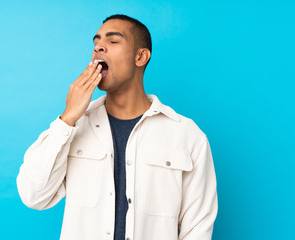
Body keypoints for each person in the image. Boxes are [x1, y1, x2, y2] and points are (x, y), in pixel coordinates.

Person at [16, 14, 218, 240]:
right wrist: (68, 117)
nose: (98, 48)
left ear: (141, 56)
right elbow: (33, 195)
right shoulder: (72, 127)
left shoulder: (186, 135)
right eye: (96, 43)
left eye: (112, 42)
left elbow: (197, 229)